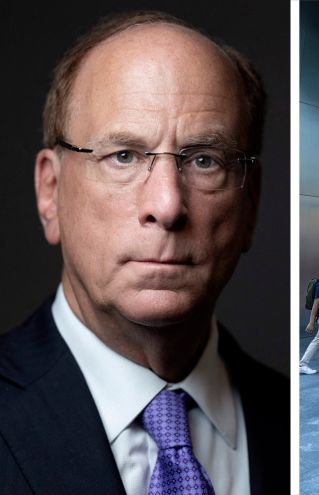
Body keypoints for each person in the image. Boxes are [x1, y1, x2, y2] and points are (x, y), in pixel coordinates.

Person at [0, 12, 287, 494]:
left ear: (250, 205)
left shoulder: (287, 416)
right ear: (50, 191)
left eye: (203, 160)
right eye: (124, 156)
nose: (167, 205)